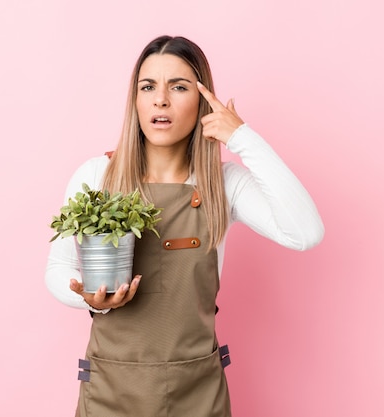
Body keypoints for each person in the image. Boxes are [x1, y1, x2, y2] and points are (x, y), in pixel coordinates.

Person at [45, 35, 324, 417]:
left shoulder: (222, 184)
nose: (161, 99)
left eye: (179, 87)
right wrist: (87, 297)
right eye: (148, 87)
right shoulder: (97, 175)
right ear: (136, 101)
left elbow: (305, 232)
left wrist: (241, 137)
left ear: (203, 100)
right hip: (111, 391)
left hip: (197, 394)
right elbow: (59, 268)